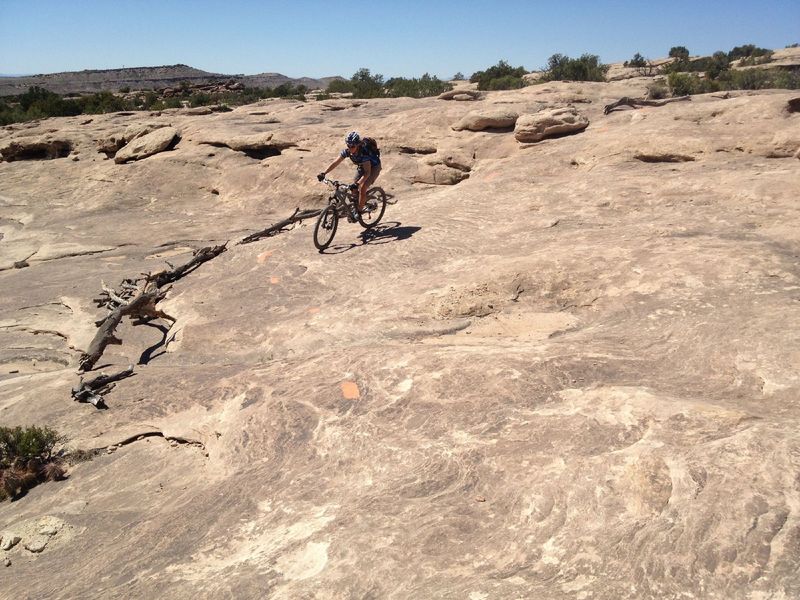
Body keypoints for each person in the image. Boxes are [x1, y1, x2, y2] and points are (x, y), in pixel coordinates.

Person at [317, 131, 381, 217]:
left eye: (352, 146)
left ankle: (359, 211)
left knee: (362, 188)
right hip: (363, 166)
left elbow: (367, 172)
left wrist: (358, 183)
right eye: (348, 145)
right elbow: (336, 162)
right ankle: (357, 204)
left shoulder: (364, 153)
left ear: (358, 144)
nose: (350, 148)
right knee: (353, 189)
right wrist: (324, 173)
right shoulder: (348, 152)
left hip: (373, 168)